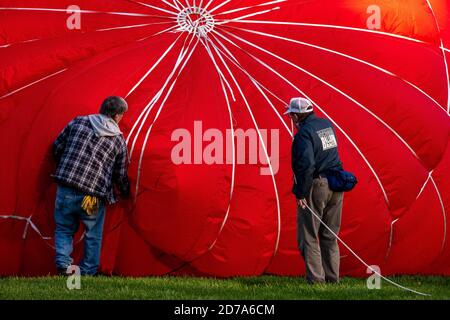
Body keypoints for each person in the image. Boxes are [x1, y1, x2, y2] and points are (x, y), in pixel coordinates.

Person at [52, 96, 131, 276]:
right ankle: (87, 271)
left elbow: (57, 147)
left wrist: (66, 167)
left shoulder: (78, 122)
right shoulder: (118, 140)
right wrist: (126, 191)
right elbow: (119, 175)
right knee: (92, 233)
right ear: (117, 115)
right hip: (92, 195)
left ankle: (64, 265)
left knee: (64, 228)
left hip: (66, 187)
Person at [285, 97, 344, 284]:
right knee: (329, 236)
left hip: (317, 186)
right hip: (336, 184)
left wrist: (301, 193)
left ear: (296, 116)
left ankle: (316, 281)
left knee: (308, 236)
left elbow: (306, 165)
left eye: (291, 116)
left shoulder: (303, 134)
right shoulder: (326, 124)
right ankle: (333, 278)